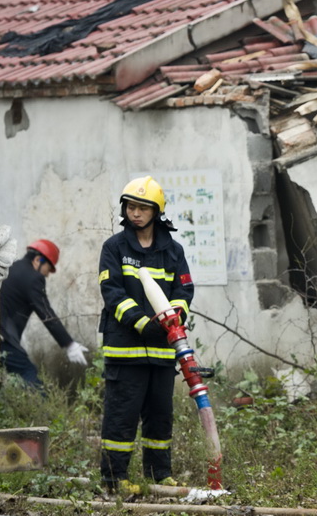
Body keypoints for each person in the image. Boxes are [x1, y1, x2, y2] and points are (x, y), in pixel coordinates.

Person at [98, 176, 194, 494]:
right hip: (126, 351)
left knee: (160, 417)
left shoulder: (173, 251)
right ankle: (114, 480)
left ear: (156, 211)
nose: (135, 213)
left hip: (164, 352)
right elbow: (111, 291)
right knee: (121, 416)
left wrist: (174, 319)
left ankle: (159, 475)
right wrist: (141, 322)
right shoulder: (114, 247)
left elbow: (184, 289)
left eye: (142, 207)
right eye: (131, 206)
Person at [0, 239, 89, 387]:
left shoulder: (12, 268)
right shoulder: (33, 278)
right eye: (48, 268)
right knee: (28, 372)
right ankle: (44, 410)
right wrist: (69, 344)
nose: (47, 275)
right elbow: (46, 313)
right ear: (38, 260)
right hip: (4, 340)